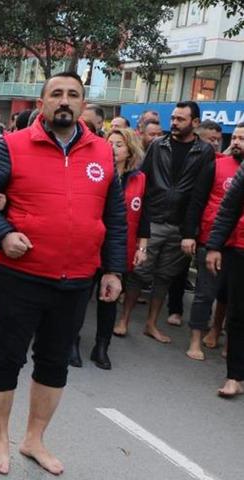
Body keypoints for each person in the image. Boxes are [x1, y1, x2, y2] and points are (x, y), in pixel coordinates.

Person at [0, 71, 126, 475]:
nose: (64, 100)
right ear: (41, 103)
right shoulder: (14, 145)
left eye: (73, 95)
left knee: (54, 363)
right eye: (56, 93)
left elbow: (115, 216)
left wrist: (113, 270)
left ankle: (34, 439)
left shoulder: (104, 153)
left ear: (82, 105)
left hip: (76, 280)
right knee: (7, 358)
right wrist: (3, 235)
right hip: (22, 276)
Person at [116, 101, 214, 342]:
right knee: (139, 273)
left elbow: (200, 194)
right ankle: (124, 319)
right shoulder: (159, 145)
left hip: (181, 226)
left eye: (181, 119)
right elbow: (143, 183)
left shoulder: (205, 151)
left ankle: (151, 324)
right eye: (173, 118)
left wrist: (189, 231)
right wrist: (143, 222)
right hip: (154, 219)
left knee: (165, 277)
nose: (174, 123)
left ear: (195, 122)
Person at [71, 128, 148, 369]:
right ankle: (71, 342)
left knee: (108, 298)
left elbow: (145, 214)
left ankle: (101, 346)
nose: (113, 149)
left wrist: (142, 246)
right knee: (80, 297)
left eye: (119, 145)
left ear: (130, 151)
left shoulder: (140, 179)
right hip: (90, 244)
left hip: (118, 248)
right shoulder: (94, 171)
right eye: (110, 143)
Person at [179, 120, 235, 361]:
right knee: (204, 293)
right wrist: (190, 234)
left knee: (233, 298)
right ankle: (195, 341)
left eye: (242, 139)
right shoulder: (216, 166)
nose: (237, 143)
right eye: (236, 139)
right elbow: (197, 201)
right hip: (212, 240)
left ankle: (221, 336)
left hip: (239, 247)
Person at [205, 122, 244, 398]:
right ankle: (234, 377)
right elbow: (228, 208)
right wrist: (215, 246)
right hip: (240, 250)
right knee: (238, 315)